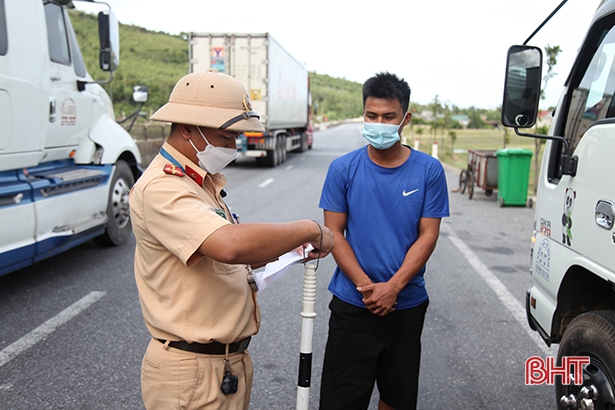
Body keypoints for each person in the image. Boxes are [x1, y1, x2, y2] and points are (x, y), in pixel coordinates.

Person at [129, 69, 334, 410]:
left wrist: (288, 250)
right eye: (226, 135)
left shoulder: (198, 182)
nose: (233, 145)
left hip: (221, 366)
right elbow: (230, 244)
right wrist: (309, 229)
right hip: (191, 370)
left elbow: (227, 257)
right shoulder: (163, 187)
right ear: (187, 128)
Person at [318, 72, 449, 410]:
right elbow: (335, 235)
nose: (378, 123)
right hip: (352, 304)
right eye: (371, 115)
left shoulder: (429, 171)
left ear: (405, 118)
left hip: (406, 306)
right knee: (341, 400)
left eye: (388, 117)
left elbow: (428, 235)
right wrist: (368, 289)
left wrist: (393, 287)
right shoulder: (342, 169)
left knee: (397, 399)